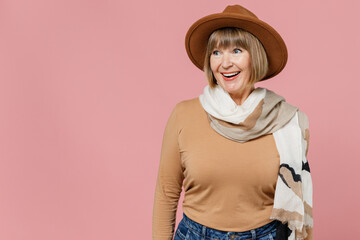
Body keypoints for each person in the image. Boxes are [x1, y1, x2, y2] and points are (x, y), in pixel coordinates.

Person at [152, 5, 313, 240]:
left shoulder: (288, 121)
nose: (224, 63)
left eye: (236, 51)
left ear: (255, 57)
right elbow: (166, 193)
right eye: (216, 53)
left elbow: (299, 212)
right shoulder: (183, 114)